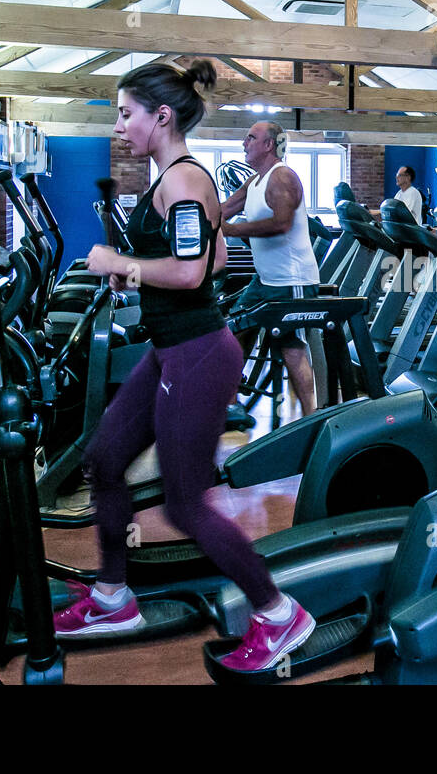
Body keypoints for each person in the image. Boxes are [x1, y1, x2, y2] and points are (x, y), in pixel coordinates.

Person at [57, 60, 314, 672]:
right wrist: (145, 272)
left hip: (198, 354)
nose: (119, 126)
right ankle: (114, 596)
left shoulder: (181, 179)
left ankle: (279, 613)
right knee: (104, 459)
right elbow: (219, 256)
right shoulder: (171, 181)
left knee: (184, 503)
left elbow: (194, 271)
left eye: (126, 113)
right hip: (173, 347)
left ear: (161, 115)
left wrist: (121, 263)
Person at [222, 120, 322, 417]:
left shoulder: (282, 177)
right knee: (236, 328)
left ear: (268, 145)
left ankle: (312, 416)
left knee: (289, 346)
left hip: (292, 279)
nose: (244, 143)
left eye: (251, 138)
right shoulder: (254, 182)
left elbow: (281, 224)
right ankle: (229, 404)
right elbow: (222, 211)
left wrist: (231, 231)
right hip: (266, 280)